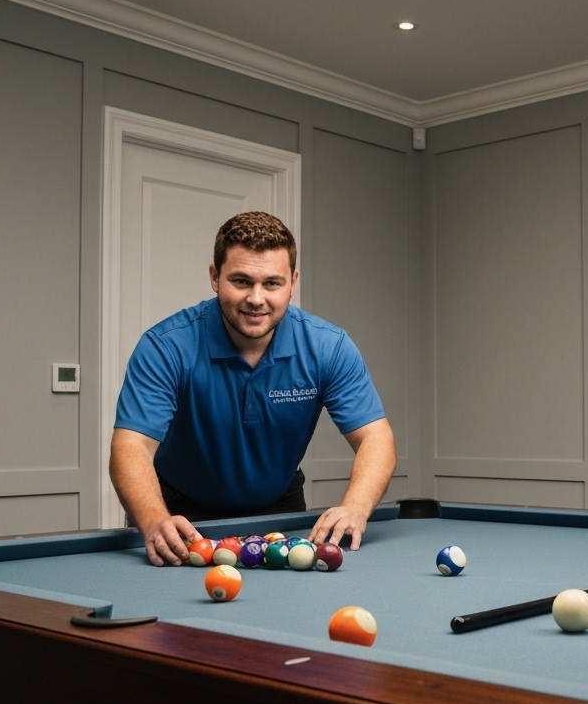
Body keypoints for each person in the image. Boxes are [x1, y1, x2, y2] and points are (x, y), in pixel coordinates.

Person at [110, 211, 396, 567]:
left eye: (272, 284)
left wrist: (355, 507)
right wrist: (153, 520)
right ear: (215, 277)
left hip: (280, 511)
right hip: (178, 514)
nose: (257, 299)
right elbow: (131, 445)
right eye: (242, 281)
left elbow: (376, 438)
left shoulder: (328, 347)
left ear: (293, 282)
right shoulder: (165, 346)